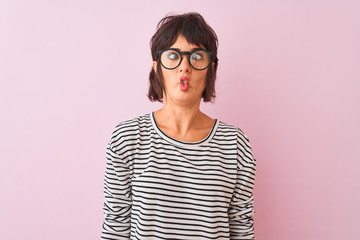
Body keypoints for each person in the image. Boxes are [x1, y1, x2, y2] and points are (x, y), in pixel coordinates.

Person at [101, 12, 257, 240]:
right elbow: (116, 225)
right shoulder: (127, 138)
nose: (185, 67)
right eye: (173, 55)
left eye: (197, 56)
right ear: (157, 67)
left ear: (211, 68)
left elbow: (242, 228)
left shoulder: (235, 144)